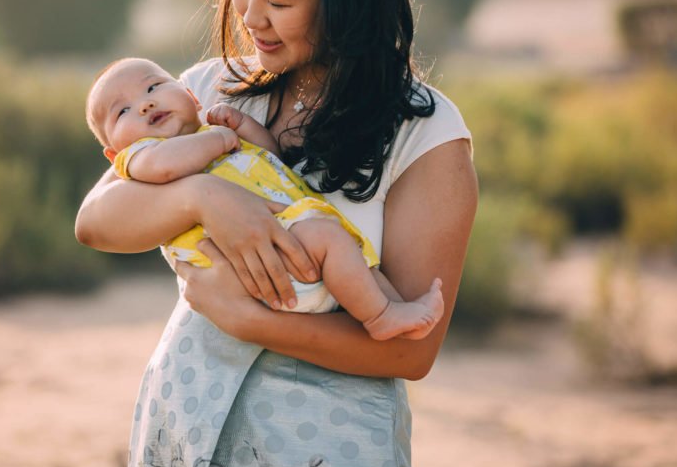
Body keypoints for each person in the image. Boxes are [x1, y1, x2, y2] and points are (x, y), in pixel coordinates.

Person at [75, 0, 477, 467]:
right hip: (184, 439)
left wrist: (248, 320)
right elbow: (95, 219)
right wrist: (205, 198)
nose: (251, 17)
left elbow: (413, 347)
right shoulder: (205, 92)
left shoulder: (425, 136)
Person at [84, 56, 446, 340]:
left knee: (358, 259)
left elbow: (270, 159)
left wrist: (243, 129)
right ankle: (381, 316)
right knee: (331, 239)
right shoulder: (141, 156)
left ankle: (397, 310)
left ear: (191, 96)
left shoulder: (214, 125)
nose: (144, 106)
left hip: (285, 247)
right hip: (249, 265)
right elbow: (163, 168)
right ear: (113, 154)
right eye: (123, 111)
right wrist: (218, 143)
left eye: (153, 88)